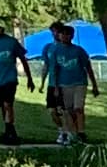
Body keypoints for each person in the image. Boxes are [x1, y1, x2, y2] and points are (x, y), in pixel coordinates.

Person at [38, 21, 95, 152]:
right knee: (57, 111)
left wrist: (94, 84)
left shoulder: (77, 50)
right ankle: (64, 131)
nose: (56, 34)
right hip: (56, 84)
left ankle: (77, 133)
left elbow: (87, 66)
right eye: (54, 32)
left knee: (74, 109)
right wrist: (43, 83)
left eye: (59, 32)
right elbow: (49, 67)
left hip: (73, 83)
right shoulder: (50, 49)